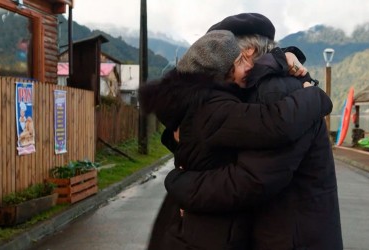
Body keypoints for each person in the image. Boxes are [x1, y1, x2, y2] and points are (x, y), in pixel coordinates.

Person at [140, 29, 332, 250]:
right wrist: (315, 96)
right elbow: (273, 123)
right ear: (222, 72)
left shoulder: (201, 104)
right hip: (206, 236)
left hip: (199, 230)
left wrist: (281, 58)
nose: (248, 67)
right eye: (240, 61)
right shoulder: (216, 109)